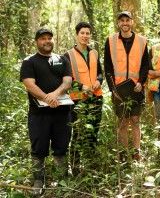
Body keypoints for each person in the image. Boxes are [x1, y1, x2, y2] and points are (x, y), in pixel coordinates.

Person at [20, 28, 72, 195]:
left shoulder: (62, 59)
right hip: (39, 114)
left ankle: (62, 178)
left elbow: (67, 82)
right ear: (36, 41)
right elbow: (29, 85)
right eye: (43, 38)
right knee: (38, 147)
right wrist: (46, 98)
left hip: (62, 112)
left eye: (50, 38)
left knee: (61, 146)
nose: (47, 41)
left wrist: (54, 95)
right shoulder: (29, 62)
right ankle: (38, 180)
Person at [104, 11, 149, 161]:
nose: (125, 23)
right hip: (119, 89)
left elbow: (145, 66)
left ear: (132, 22)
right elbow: (108, 67)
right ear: (118, 23)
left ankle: (137, 153)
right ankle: (122, 153)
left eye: (127, 20)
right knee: (122, 122)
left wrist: (141, 83)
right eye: (122, 20)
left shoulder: (142, 41)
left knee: (135, 121)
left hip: (136, 88)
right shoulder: (110, 40)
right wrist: (112, 88)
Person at [64, 22, 103, 175]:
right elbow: (66, 78)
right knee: (78, 133)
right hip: (77, 100)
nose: (85, 36)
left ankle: (91, 164)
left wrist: (99, 81)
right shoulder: (68, 55)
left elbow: (100, 72)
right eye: (82, 33)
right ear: (77, 35)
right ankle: (75, 166)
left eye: (87, 33)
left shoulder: (94, 53)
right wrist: (80, 86)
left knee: (93, 131)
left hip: (96, 97)